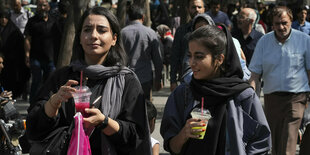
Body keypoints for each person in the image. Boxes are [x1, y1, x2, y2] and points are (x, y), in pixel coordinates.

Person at [26, 6, 152, 155]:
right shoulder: (62, 77)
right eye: (87, 30)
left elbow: (137, 136)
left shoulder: (126, 81)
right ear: (79, 37)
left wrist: (104, 122)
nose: (93, 35)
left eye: (102, 30)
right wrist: (53, 103)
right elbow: (33, 128)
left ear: (114, 39)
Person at [160, 25, 271, 155]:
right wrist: (184, 134)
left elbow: (261, 143)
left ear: (219, 59)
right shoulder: (183, 94)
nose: (191, 62)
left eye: (199, 56)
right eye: (189, 56)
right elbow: (172, 146)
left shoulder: (243, 96)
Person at [249, 6, 310, 155]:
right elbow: (255, 75)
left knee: (289, 138)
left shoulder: (304, 40)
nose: (281, 27)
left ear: (291, 21)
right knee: (275, 143)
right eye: (277, 24)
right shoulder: (264, 42)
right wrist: (251, 97)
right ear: (272, 24)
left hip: (296, 97)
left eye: (284, 23)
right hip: (272, 98)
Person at [121, 4, 163, 101]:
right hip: (145, 78)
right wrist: (158, 79)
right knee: (145, 107)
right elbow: (158, 59)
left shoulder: (122, 33)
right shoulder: (150, 33)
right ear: (143, 17)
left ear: (128, 17)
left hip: (125, 78)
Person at [24, 0, 60, 105]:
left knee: (50, 82)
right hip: (35, 57)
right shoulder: (32, 21)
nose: (42, 7)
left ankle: (45, 104)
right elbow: (27, 39)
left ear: (48, 7)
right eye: (40, 5)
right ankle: (32, 105)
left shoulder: (54, 21)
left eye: (44, 5)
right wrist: (27, 55)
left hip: (50, 58)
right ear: (37, 7)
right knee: (36, 81)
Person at [170, 0, 205, 92]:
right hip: (186, 80)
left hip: (207, 80)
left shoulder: (212, 31)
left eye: (199, 7)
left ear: (204, 9)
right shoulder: (182, 31)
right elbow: (175, 56)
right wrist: (173, 80)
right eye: (193, 7)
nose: (197, 10)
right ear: (188, 9)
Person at [0, 9, 29, 99]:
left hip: (11, 62)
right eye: (1, 18)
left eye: (5, 18)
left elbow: (18, 47)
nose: (3, 20)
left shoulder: (14, 31)